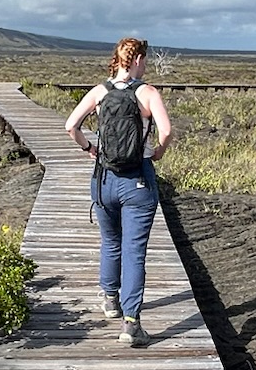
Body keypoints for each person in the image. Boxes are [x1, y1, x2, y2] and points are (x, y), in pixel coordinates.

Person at [65, 36, 176, 347]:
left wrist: (89, 147)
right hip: (138, 179)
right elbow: (166, 130)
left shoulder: (100, 92)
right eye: (145, 59)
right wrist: (158, 153)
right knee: (134, 251)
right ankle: (131, 324)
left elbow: (70, 125)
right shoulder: (148, 93)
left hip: (104, 179)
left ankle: (110, 300)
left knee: (110, 240)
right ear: (137, 59)